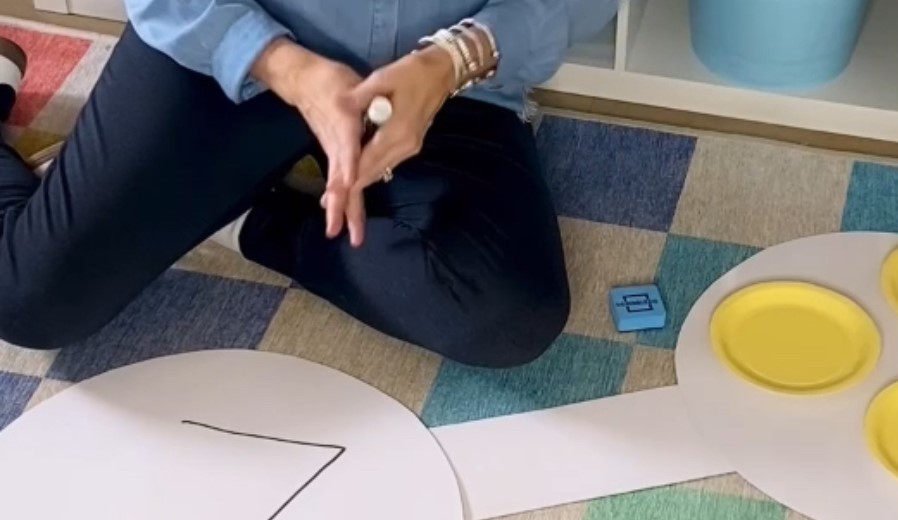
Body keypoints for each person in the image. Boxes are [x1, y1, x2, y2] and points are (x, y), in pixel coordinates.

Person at [0, 2, 618, 366]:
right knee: (29, 302)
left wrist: (454, 60)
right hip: (236, 43)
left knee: (507, 316)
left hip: (444, 76)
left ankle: (248, 217)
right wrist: (280, 64)